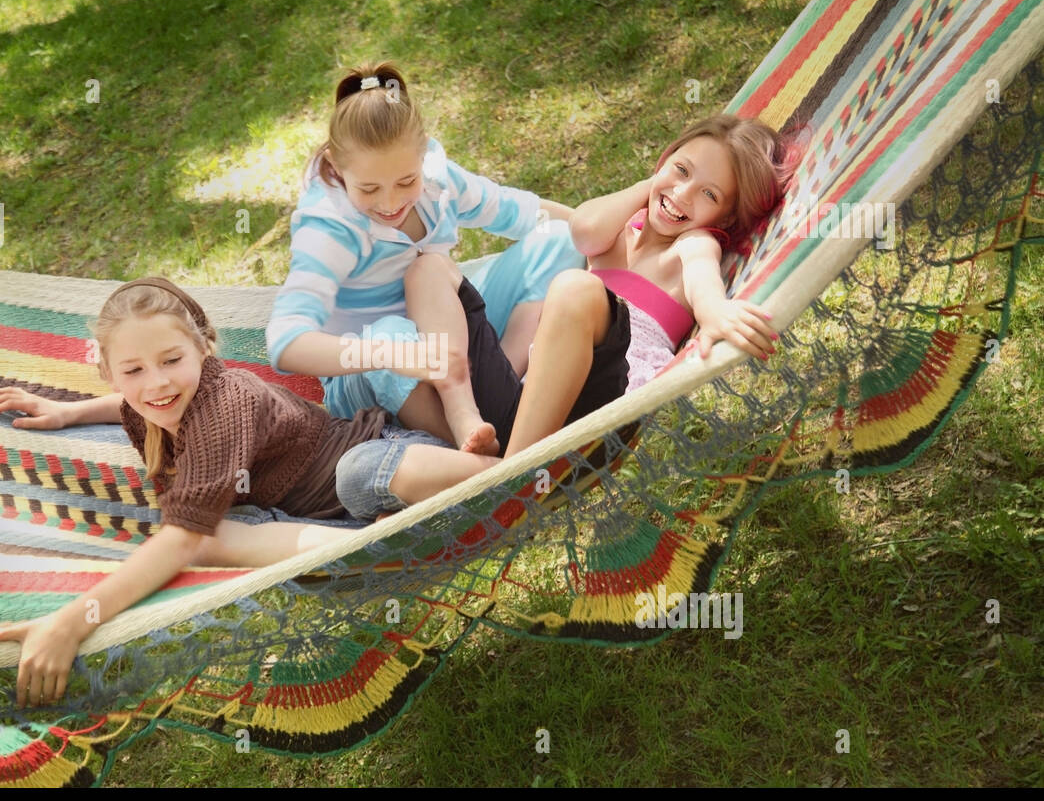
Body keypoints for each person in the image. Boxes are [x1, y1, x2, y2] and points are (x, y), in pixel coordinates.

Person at [0, 277, 496, 706]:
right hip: (325, 519)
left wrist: (71, 622)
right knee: (221, 533)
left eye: (171, 360)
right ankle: (360, 545)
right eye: (133, 370)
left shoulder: (223, 403)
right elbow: (126, 403)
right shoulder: (145, 407)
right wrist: (69, 411)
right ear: (110, 373)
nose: (155, 383)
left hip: (381, 456)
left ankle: (488, 469)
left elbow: (179, 539)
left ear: (204, 349)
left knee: (353, 476)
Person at [336, 114, 798, 511]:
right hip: (532, 402)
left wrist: (716, 312)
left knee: (576, 288)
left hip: (592, 405)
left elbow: (703, 279)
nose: (682, 194)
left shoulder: (693, 245)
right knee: (429, 270)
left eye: (709, 195)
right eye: (680, 170)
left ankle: (509, 477)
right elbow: (583, 228)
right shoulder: (621, 230)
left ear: (725, 219)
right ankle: (478, 446)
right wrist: (650, 185)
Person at [266, 60, 586, 457]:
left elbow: (515, 211)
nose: (390, 202)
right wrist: (392, 354)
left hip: (446, 330)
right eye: (368, 189)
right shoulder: (329, 228)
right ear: (335, 165)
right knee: (389, 332)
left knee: (560, 240)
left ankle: (501, 381)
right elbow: (284, 342)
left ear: (422, 155)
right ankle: (470, 450)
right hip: (375, 370)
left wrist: (597, 225)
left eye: (406, 181)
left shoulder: (438, 181)